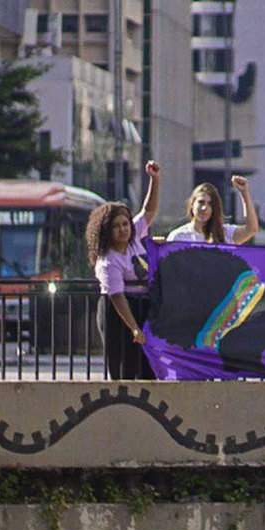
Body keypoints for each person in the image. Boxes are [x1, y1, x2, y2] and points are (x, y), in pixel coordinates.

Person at [88, 160, 161, 380]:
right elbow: (118, 297)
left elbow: (148, 211)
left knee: (149, 369)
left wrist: (155, 179)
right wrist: (134, 328)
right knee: (125, 370)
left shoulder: (134, 239)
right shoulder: (108, 261)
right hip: (119, 315)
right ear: (106, 231)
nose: (123, 229)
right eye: (116, 226)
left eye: (125, 224)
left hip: (142, 308)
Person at [165, 176, 258, 244]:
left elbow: (251, 229)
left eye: (210, 204)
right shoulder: (178, 236)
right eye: (201, 202)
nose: (204, 208)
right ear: (192, 204)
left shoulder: (225, 233)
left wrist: (244, 193)